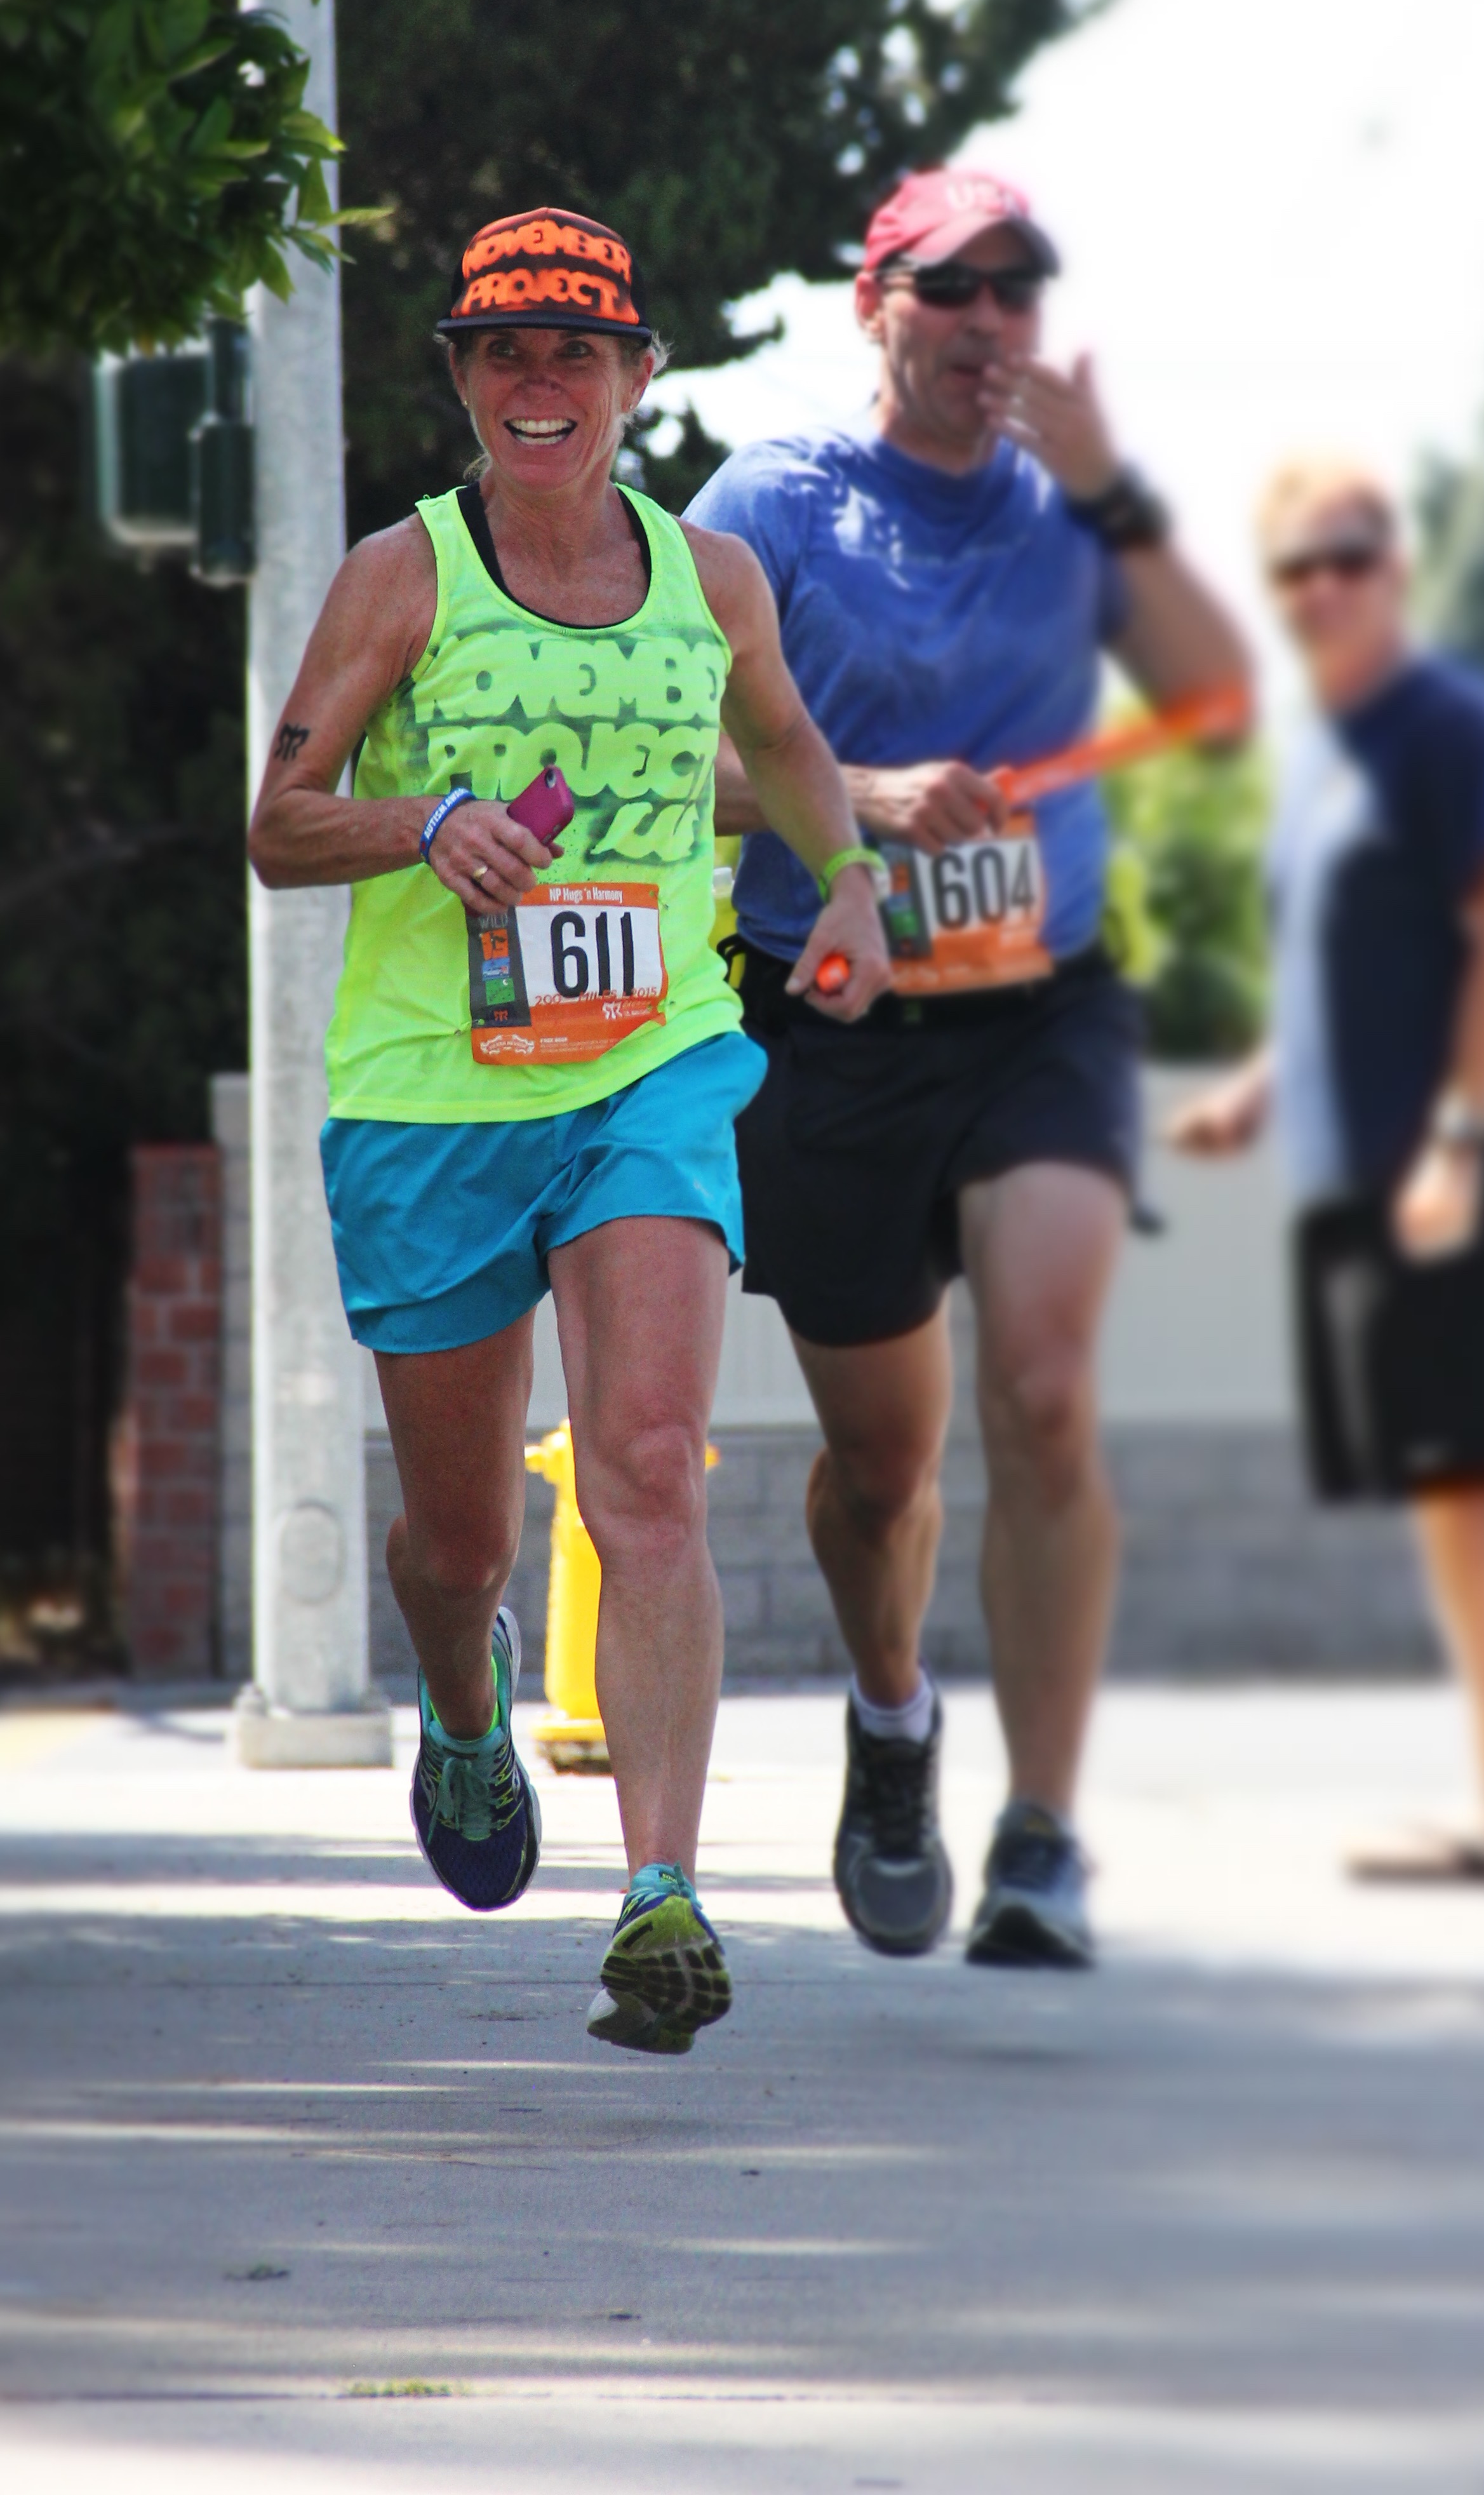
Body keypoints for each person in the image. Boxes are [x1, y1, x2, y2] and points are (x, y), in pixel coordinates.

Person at [246, 205, 892, 2053]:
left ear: (638, 377)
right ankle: (466, 1706)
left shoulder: (714, 578)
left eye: (578, 351)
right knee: (458, 1544)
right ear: (462, 380)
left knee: (652, 1461)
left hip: (650, 1063)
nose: (543, 382)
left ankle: (662, 1895)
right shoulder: (403, 577)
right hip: (433, 1096)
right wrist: (423, 820)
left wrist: (848, 881)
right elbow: (279, 824)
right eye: (505, 350)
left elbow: (784, 743)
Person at [689, 168, 1252, 1967]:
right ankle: (891, 1717)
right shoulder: (772, 504)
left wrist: (1117, 490)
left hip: (1041, 1016)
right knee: (882, 1472)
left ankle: (1042, 1838)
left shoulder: (1076, 511)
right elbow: (657, 745)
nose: (990, 322)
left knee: (1050, 1388)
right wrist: (849, 794)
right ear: (877, 306)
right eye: (953, 288)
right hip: (832, 1018)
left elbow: (1221, 695)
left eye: (1019, 290)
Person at [1168, 458, 1484, 1885]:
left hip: (1455, 1174)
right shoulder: (1325, 751)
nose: (1323, 587)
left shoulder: (1460, 734)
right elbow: (1343, 968)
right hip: (1352, 1180)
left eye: (1348, 557)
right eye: (1296, 567)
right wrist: (1259, 1093)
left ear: (1395, 568)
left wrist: (1459, 1147)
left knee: (1479, 1478)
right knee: (1438, 1488)